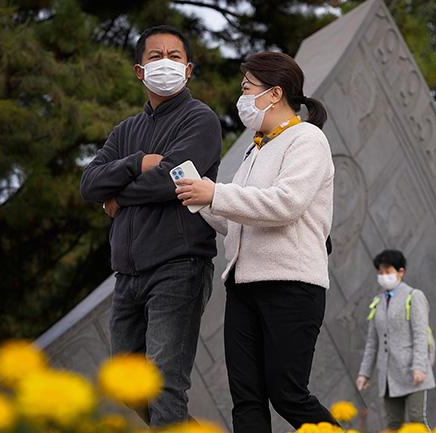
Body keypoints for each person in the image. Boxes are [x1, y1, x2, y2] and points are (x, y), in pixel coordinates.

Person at [172, 52, 337, 433]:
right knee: (246, 401)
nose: (241, 96)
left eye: (248, 88)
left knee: (288, 394)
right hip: (243, 287)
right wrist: (201, 199)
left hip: (292, 287)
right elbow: (241, 223)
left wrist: (214, 194)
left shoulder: (307, 139)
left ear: (275, 93)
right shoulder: (257, 148)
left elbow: (285, 204)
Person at [79, 25, 222, 427]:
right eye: (155, 56)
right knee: (128, 386)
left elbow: (170, 179)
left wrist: (121, 194)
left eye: (174, 57)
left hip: (179, 266)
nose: (165, 64)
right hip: (127, 273)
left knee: (163, 385)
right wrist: (136, 161)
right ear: (140, 71)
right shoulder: (127, 130)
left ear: (188, 69)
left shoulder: (201, 120)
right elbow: (90, 183)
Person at [356, 249, 436, 431]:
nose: (383, 276)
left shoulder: (414, 297)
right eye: (380, 272)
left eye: (388, 271)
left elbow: (421, 334)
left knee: (417, 420)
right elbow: (372, 342)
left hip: (412, 370)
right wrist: (364, 373)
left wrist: (419, 367)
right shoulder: (378, 301)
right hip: (388, 375)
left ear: (401, 272)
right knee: (393, 425)